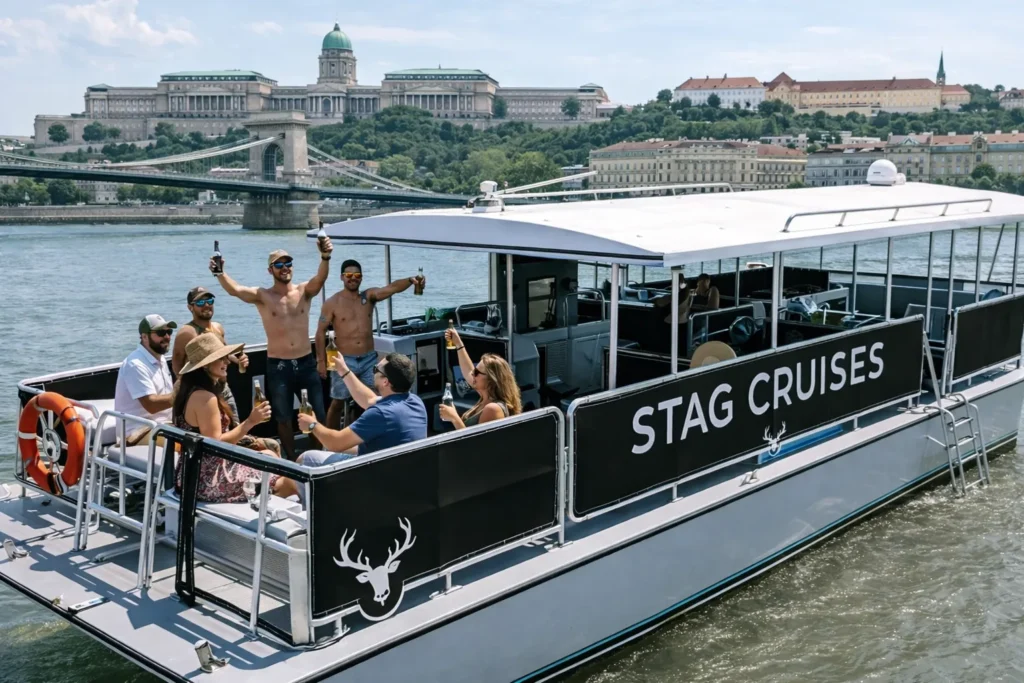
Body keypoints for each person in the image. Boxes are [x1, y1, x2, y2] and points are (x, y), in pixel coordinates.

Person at [211, 243, 333, 459]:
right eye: (279, 264)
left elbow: (320, 278)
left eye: (288, 263)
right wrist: (220, 273)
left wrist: (325, 256)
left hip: (306, 363)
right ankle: (292, 459)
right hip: (279, 365)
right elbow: (235, 290)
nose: (284, 267)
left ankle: (316, 456)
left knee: (317, 416)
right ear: (270, 270)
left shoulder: (304, 291)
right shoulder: (263, 296)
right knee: (283, 417)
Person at [172, 333, 286, 504]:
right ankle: (266, 513)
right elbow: (215, 446)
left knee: (270, 454)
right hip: (209, 479)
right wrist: (251, 422)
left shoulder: (188, 391)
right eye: (221, 358)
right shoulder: (205, 398)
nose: (226, 362)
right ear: (205, 366)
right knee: (288, 479)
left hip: (193, 472)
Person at [315, 259, 425, 429]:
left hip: (368, 360)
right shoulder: (332, 303)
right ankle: (330, 444)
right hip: (344, 361)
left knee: (373, 400)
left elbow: (391, 288)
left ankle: (365, 435)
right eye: (348, 275)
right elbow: (320, 332)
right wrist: (321, 361)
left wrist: (411, 281)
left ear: (361, 278)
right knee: (337, 403)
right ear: (342, 277)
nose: (353, 278)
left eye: (356, 275)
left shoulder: (369, 296)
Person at [297, 352, 426, 461]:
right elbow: (369, 399)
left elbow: (335, 443)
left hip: (375, 475)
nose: (373, 371)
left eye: (376, 369)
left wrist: (312, 425)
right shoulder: (415, 401)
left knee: (307, 458)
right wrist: (343, 369)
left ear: (385, 381)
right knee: (330, 447)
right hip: (401, 468)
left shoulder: (380, 414)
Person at [172, 286, 249, 422]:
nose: (206, 305)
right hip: (200, 391)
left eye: (209, 301)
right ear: (190, 307)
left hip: (223, 388)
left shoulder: (218, 328)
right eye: (200, 303)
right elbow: (177, 362)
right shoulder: (187, 332)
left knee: (234, 426)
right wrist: (185, 387)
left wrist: (238, 360)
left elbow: (222, 354)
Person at [439, 328, 522, 430]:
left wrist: (454, 418)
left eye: (477, 372)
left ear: (491, 380)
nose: (473, 373)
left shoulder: (493, 409)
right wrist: (458, 343)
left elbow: (476, 444)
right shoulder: (486, 397)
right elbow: (468, 371)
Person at [114, 314, 177, 425]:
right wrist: (184, 394)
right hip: (138, 431)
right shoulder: (135, 364)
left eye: (169, 332)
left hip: (164, 425)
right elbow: (151, 405)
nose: (167, 337)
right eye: (161, 333)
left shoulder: (160, 358)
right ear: (144, 337)